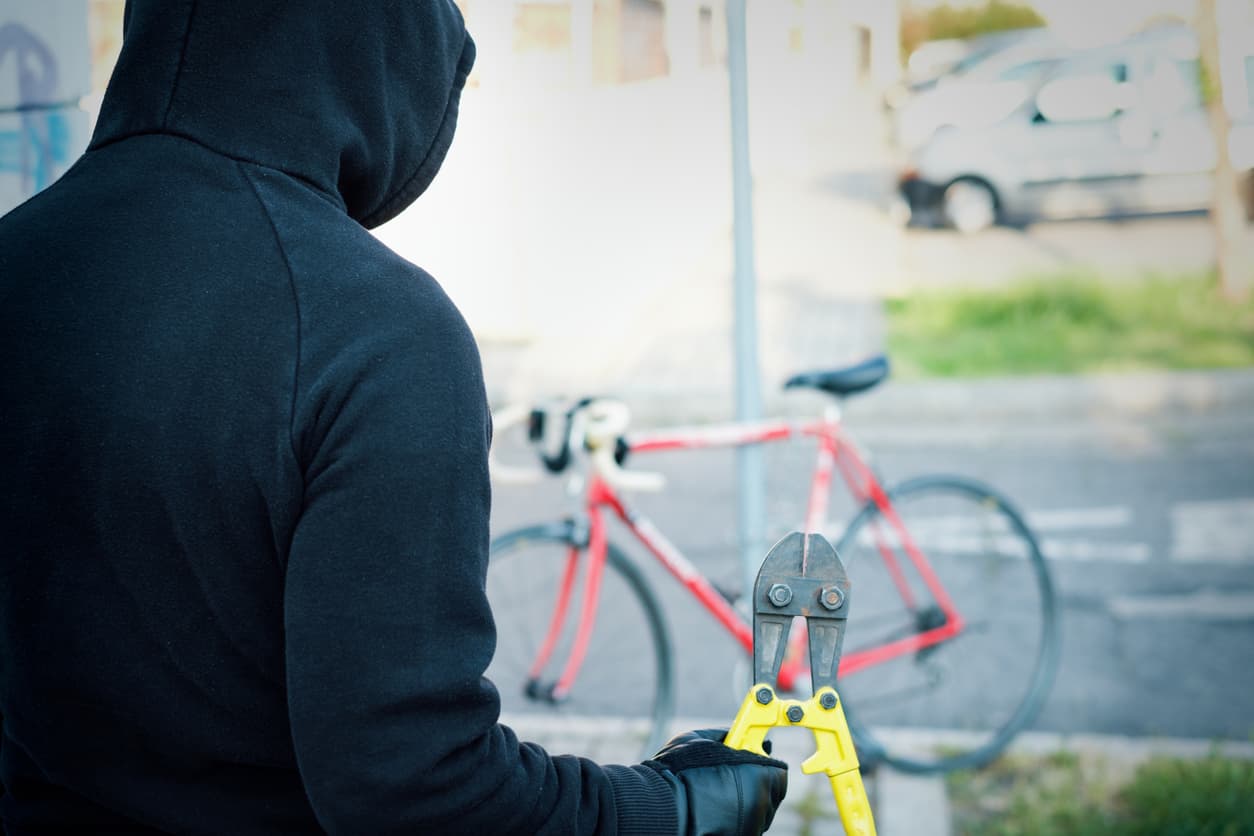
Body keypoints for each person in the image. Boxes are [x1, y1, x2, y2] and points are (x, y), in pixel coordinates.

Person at [0, 1, 788, 833]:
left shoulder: (19, 263)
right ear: (389, 49)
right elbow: (417, 786)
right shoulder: (375, 332)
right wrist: (670, 807)